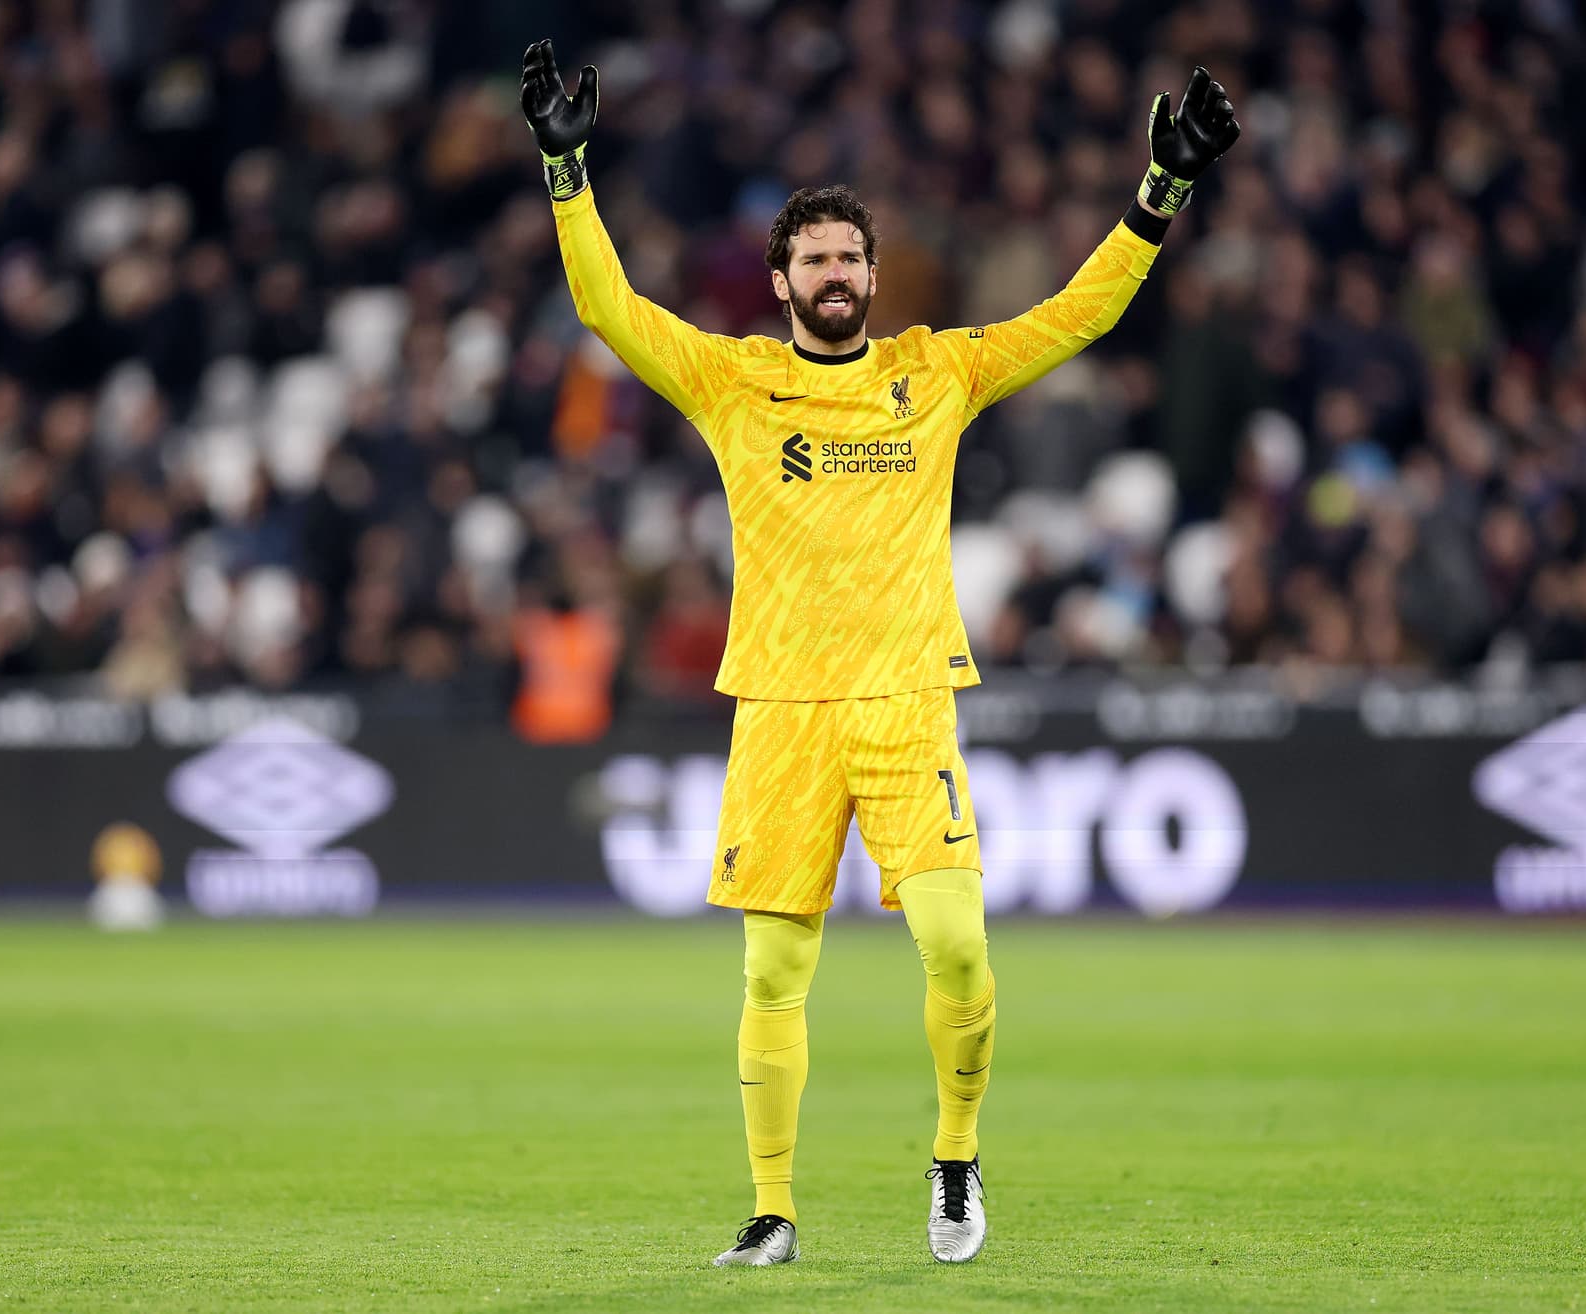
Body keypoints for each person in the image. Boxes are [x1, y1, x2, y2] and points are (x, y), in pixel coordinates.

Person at [520, 39, 1239, 1266]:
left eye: (853, 255)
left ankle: (955, 1163)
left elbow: (1081, 316)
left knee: (959, 942)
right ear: (782, 278)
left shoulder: (935, 373)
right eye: (817, 258)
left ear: (871, 271)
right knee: (771, 977)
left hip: (909, 703)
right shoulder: (733, 385)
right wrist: (566, 168)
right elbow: (606, 309)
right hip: (784, 705)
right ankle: (772, 1209)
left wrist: (1156, 198)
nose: (840, 273)